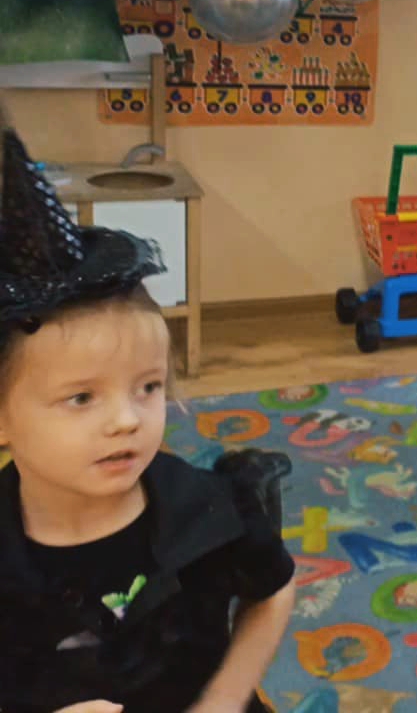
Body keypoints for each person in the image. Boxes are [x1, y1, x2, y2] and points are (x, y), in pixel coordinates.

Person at [0, 115, 296, 713]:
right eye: (82, 398)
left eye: (148, 387)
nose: (127, 420)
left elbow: (272, 592)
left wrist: (224, 699)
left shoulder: (205, 509)